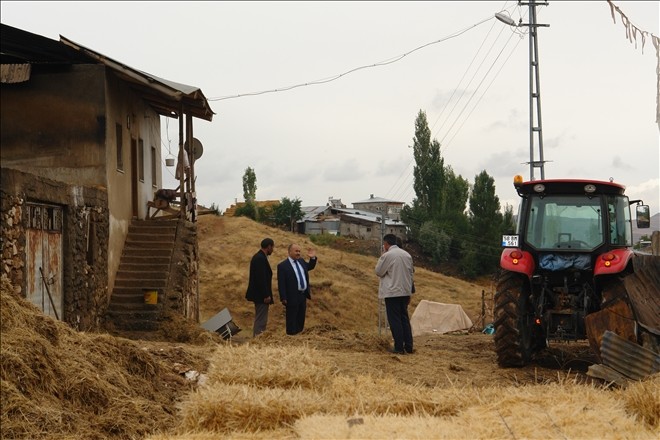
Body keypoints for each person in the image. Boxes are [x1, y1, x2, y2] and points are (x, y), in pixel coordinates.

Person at [375, 233, 415, 354]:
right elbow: (411, 273)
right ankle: (409, 346)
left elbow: (378, 271)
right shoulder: (407, 255)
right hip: (405, 291)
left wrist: (382, 256)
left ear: (386, 244)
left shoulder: (387, 255)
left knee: (395, 320)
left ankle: (398, 347)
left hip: (392, 292)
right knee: (404, 319)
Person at [277, 243, 317, 335]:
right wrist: (283, 297)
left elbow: (310, 267)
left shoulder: (301, 261)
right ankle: (291, 337)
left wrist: (313, 258)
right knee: (292, 319)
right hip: (291, 297)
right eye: (296, 251)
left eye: (299, 251)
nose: (298, 253)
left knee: (300, 318)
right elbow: (281, 283)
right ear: (290, 251)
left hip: (302, 295)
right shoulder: (283, 266)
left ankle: (299, 336)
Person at [245, 238, 275, 337]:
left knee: (261, 318)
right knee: (261, 319)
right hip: (261, 296)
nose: (273, 250)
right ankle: (257, 339)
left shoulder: (260, 257)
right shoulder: (260, 258)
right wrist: (266, 295)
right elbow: (261, 279)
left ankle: (258, 338)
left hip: (260, 295)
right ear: (269, 246)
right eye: (272, 247)